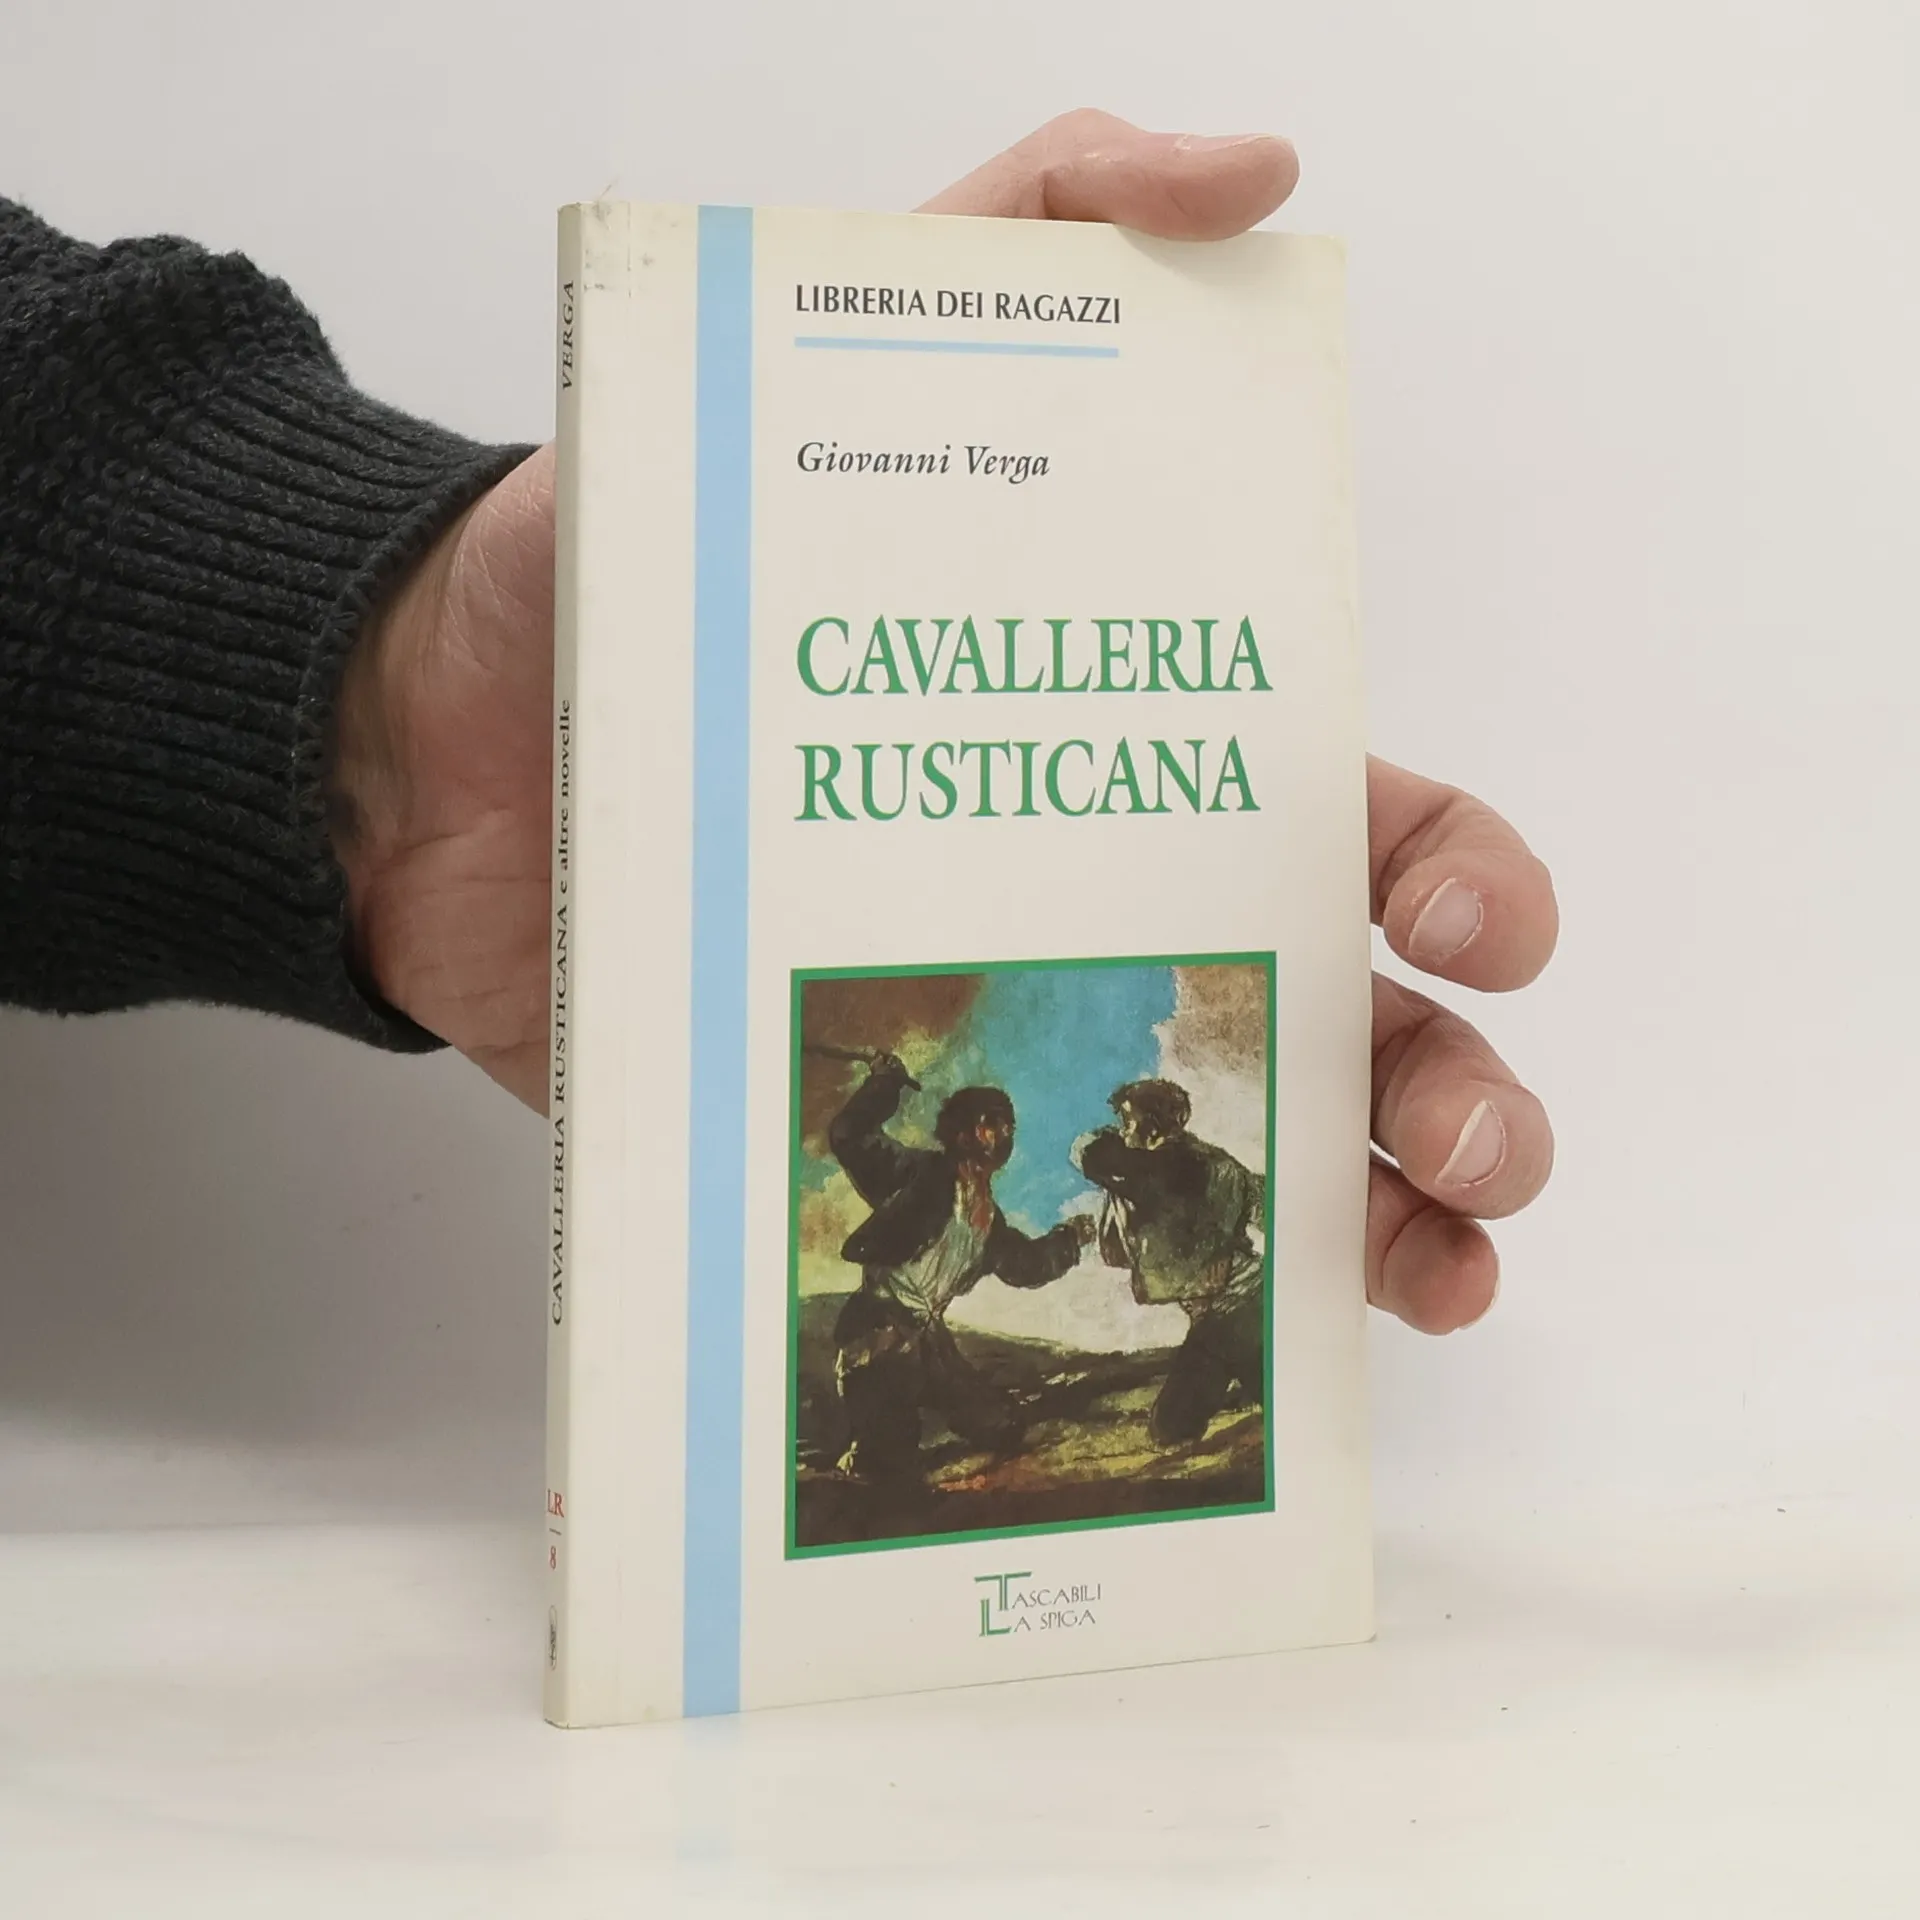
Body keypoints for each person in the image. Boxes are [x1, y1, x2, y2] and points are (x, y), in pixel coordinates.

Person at [0, 110, 1558, 1339]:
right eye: (993, 1127)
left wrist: (390, 695)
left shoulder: (1070, 1192)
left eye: (1000, 1130)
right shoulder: (920, 1170)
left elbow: (1027, 1247)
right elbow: (883, 1161)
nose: (994, 1142)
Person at [825, 1052, 1094, 1480]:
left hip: (929, 1342)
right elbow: (848, 1135)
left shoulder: (988, 1218)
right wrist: (885, 1083)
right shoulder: (917, 1175)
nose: (1004, 1132)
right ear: (962, 1133)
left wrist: (1069, 1238)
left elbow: (1024, 1266)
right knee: (889, 1468)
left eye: (1008, 1124)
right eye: (992, 1122)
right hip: (878, 1339)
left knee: (1002, 1424)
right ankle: (863, 1454)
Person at [1076, 1078, 1266, 1446]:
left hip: (1244, 1308)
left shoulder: (1171, 1167)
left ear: (1155, 1124)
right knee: (1170, 1428)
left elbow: (1090, 1154)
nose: (1123, 1132)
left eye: (1128, 1121)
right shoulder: (1203, 1162)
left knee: (1275, 1397)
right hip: (1212, 1321)